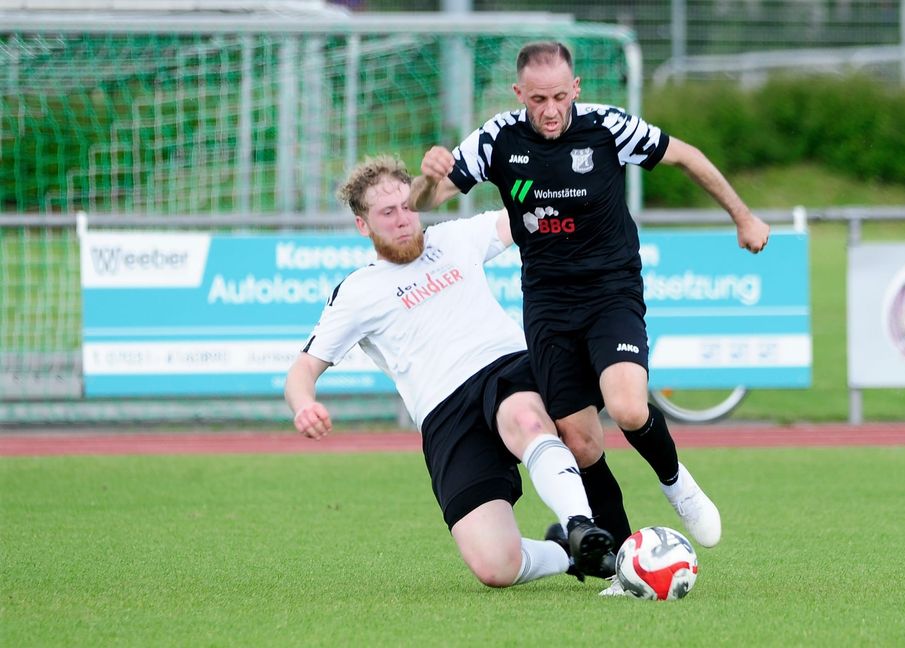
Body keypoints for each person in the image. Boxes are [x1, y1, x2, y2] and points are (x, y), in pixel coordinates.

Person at [410, 41, 770, 578]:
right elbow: (424, 203)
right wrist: (428, 175)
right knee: (580, 443)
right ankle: (628, 563)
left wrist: (743, 217)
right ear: (519, 95)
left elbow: (687, 156)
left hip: (611, 291)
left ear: (575, 89)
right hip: (549, 306)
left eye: (559, 96)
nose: (550, 110)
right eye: (537, 99)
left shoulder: (609, 127)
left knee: (627, 407)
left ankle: (679, 486)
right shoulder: (496, 139)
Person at [285, 155, 615, 588]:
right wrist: (304, 404)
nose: (403, 220)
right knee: (496, 566)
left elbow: (525, 209)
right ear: (363, 225)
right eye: (387, 213)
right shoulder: (357, 292)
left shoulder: (456, 237)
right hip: (445, 413)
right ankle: (567, 552)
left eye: (407, 206)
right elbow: (302, 370)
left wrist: (532, 171)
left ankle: (580, 523)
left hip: (503, 369)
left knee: (527, 420)